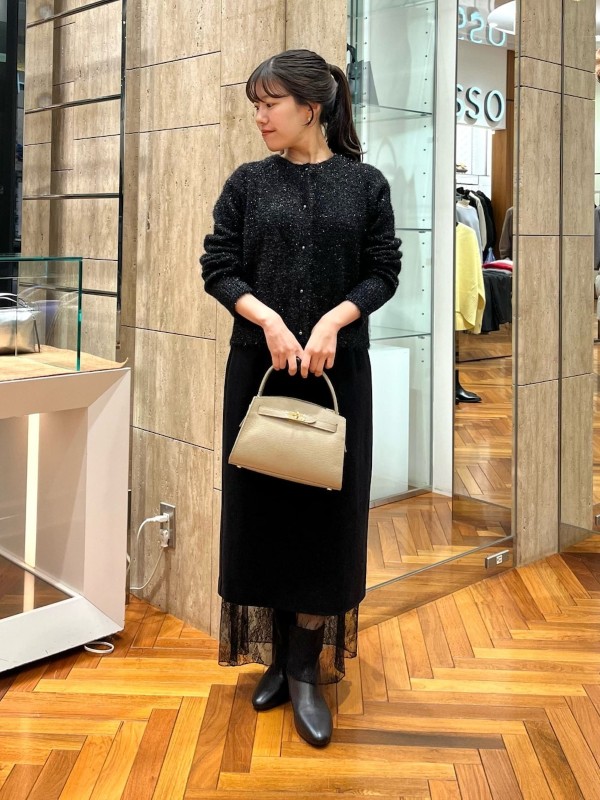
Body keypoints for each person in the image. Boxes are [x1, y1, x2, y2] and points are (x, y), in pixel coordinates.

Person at [200, 49, 401, 748]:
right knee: (263, 515)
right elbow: (219, 267)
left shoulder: (365, 184)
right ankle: (278, 660)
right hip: (259, 371)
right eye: (255, 106)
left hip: (336, 378)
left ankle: (306, 666)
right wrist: (271, 321)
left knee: (326, 519)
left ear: (310, 108)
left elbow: (383, 271)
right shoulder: (247, 183)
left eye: (270, 104)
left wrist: (332, 322)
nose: (259, 117)